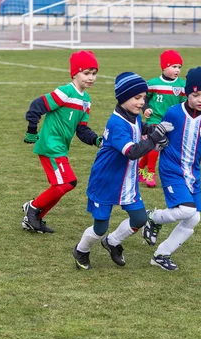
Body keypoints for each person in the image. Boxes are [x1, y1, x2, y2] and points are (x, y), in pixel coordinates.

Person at [72, 72, 172, 270]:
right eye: (137, 98)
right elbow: (132, 152)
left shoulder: (131, 115)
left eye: (143, 97)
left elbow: (139, 127)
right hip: (106, 181)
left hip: (126, 180)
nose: (142, 102)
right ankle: (81, 250)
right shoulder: (117, 123)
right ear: (123, 98)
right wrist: (154, 139)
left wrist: (153, 130)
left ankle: (113, 242)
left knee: (140, 218)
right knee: (100, 228)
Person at [142, 67, 201, 271]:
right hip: (171, 169)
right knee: (186, 209)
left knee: (193, 217)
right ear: (186, 93)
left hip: (192, 173)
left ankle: (161, 254)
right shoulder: (174, 113)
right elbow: (159, 137)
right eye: (196, 95)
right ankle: (152, 217)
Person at [21, 50, 102, 234]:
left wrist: (96, 140)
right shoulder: (65, 92)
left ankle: (34, 218)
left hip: (60, 147)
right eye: (86, 73)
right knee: (68, 183)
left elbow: (81, 129)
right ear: (75, 73)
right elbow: (37, 105)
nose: (91, 77)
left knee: (62, 184)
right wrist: (32, 130)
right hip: (50, 144)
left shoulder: (86, 100)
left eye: (94, 73)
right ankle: (33, 208)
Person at [139, 49, 186, 188]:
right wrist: (145, 108)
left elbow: (183, 104)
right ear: (164, 67)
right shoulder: (153, 83)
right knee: (156, 145)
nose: (177, 70)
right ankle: (151, 173)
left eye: (179, 67)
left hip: (171, 122)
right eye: (174, 66)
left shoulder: (182, 85)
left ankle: (140, 166)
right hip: (154, 120)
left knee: (158, 147)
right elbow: (144, 97)